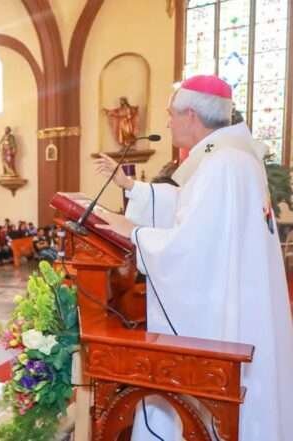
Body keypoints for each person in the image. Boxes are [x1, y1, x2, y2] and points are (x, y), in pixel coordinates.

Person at [93, 75, 293, 440]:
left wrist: (133, 232)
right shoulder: (233, 159)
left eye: (170, 114)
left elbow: (190, 248)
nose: (167, 122)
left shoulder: (221, 165)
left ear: (190, 115)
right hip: (246, 309)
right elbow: (196, 211)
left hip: (226, 322)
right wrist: (134, 190)